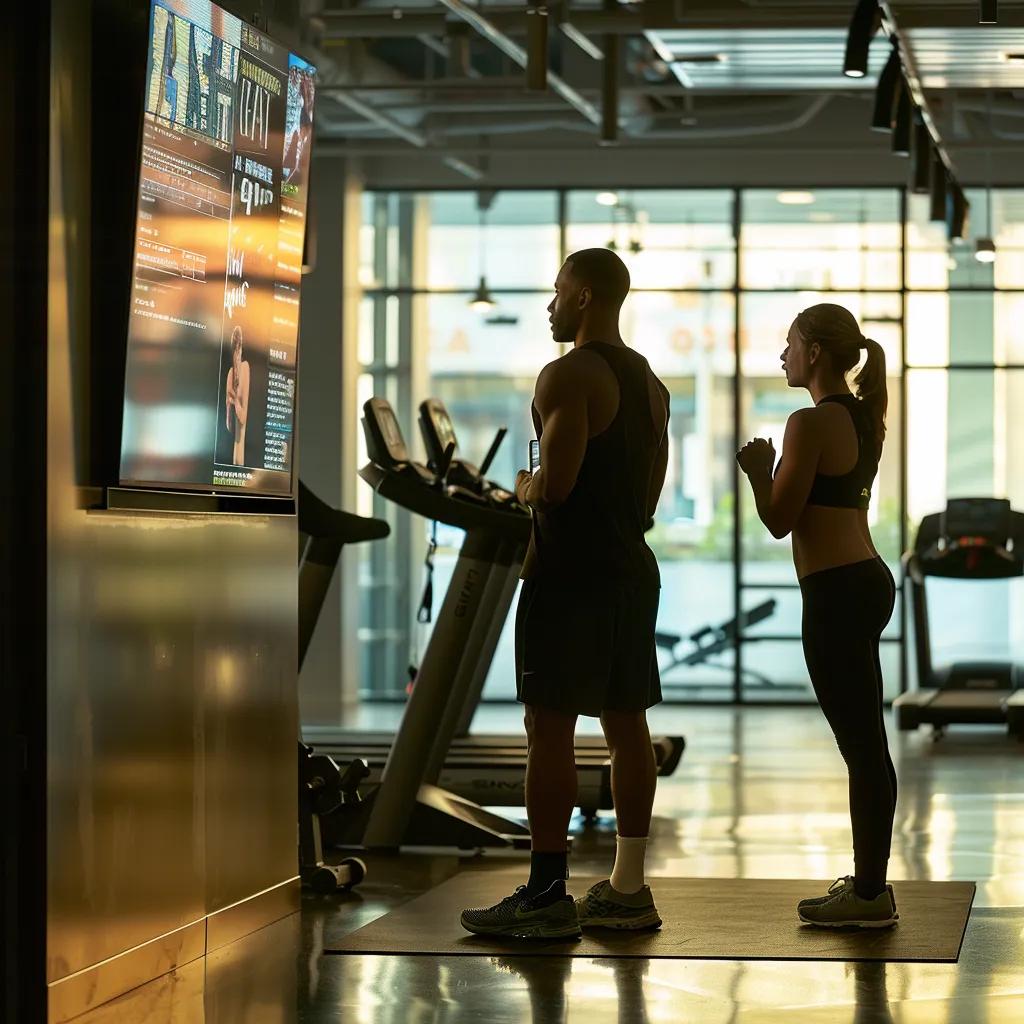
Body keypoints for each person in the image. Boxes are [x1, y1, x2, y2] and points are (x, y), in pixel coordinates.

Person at [460, 249, 670, 940]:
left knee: (548, 727)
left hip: (569, 575)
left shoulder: (567, 374)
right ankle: (628, 889)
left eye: (556, 293)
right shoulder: (651, 385)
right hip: (631, 570)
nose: (550, 306)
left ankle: (547, 894)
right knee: (626, 723)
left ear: (583, 297)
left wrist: (521, 486)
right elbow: (647, 495)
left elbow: (554, 484)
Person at [737, 303, 898, 929]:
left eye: (790, 343)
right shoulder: (864, 417)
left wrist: (758, 472)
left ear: (817, 354)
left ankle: (868, 896)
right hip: (865, 579)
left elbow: (780, 519)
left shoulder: (807, 422)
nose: (783, 354)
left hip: (834, 592)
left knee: (862, 748)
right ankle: (867, 886)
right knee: (869, 744)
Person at [225, 326, 250, 466]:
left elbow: (242, 416)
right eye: (234, 346)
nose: (236, 351)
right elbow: (229, 424)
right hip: (235, 444)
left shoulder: (245, 368)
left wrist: (235, 401)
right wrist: (230, 402)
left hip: (242, 439)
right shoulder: (230, 373)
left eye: (239, 346)